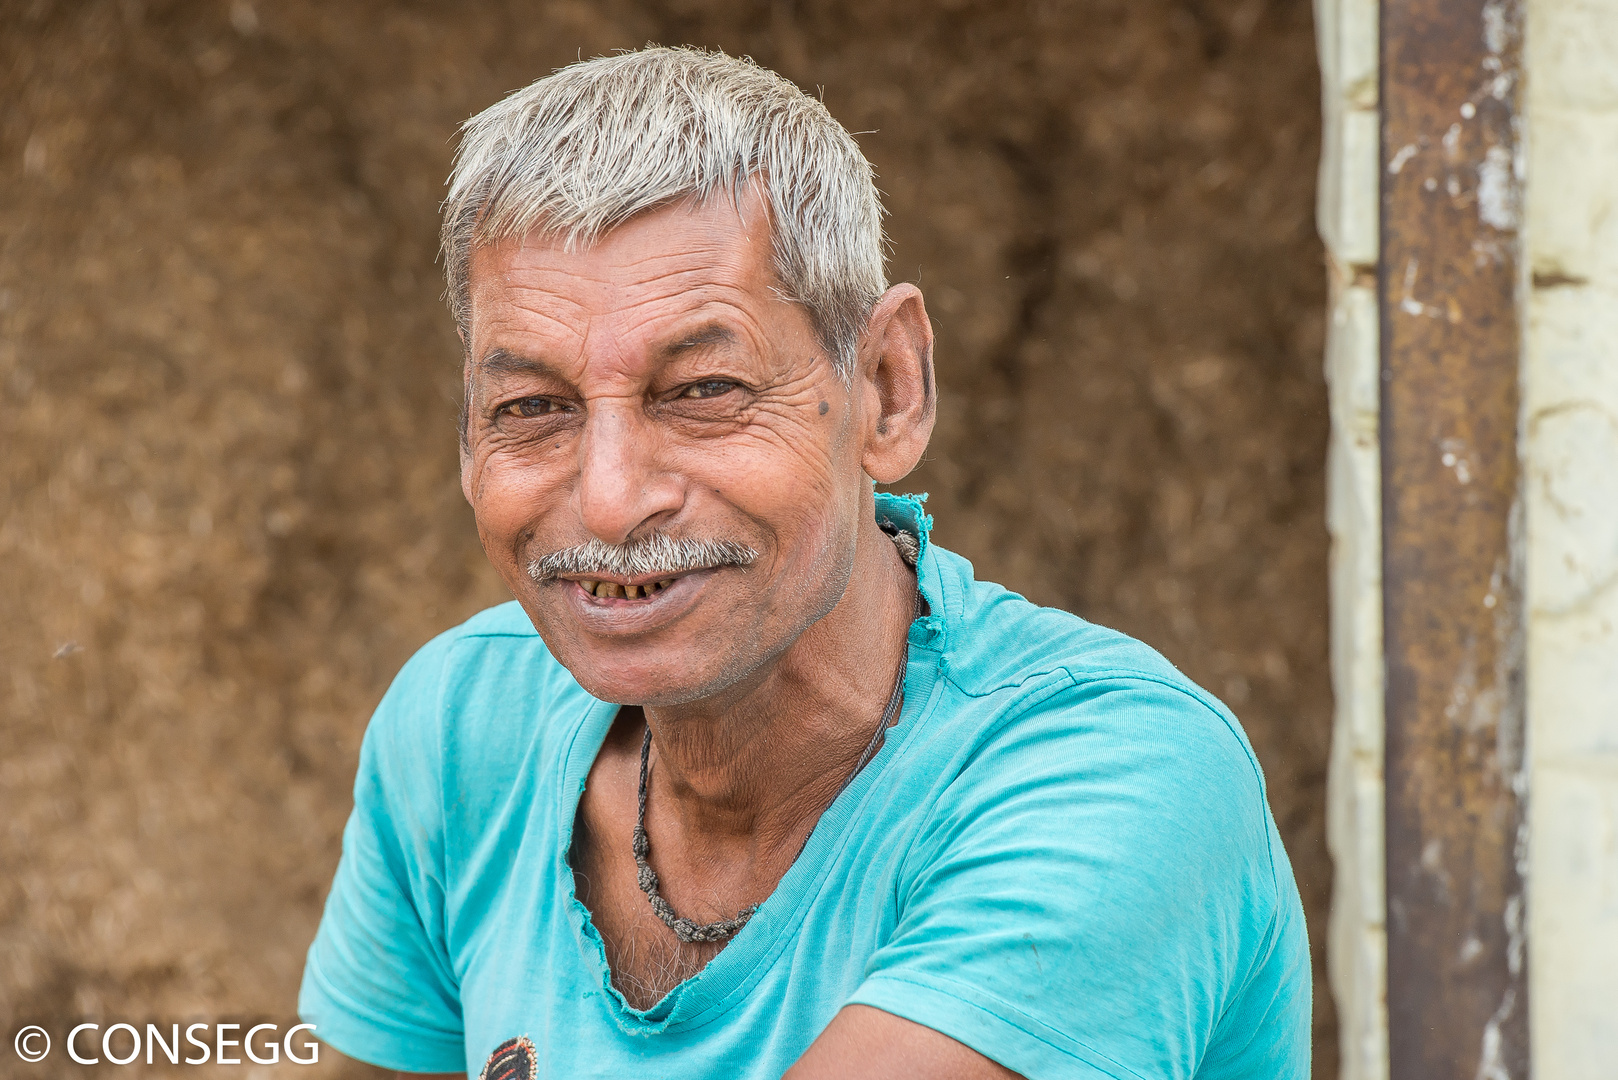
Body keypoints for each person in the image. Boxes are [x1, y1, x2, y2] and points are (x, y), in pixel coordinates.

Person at [298, 46, 1311, 1080]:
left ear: (887, 387)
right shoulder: (465, 726)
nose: (608, 496)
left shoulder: (1111, 776)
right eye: (532, 409)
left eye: (702, 389)